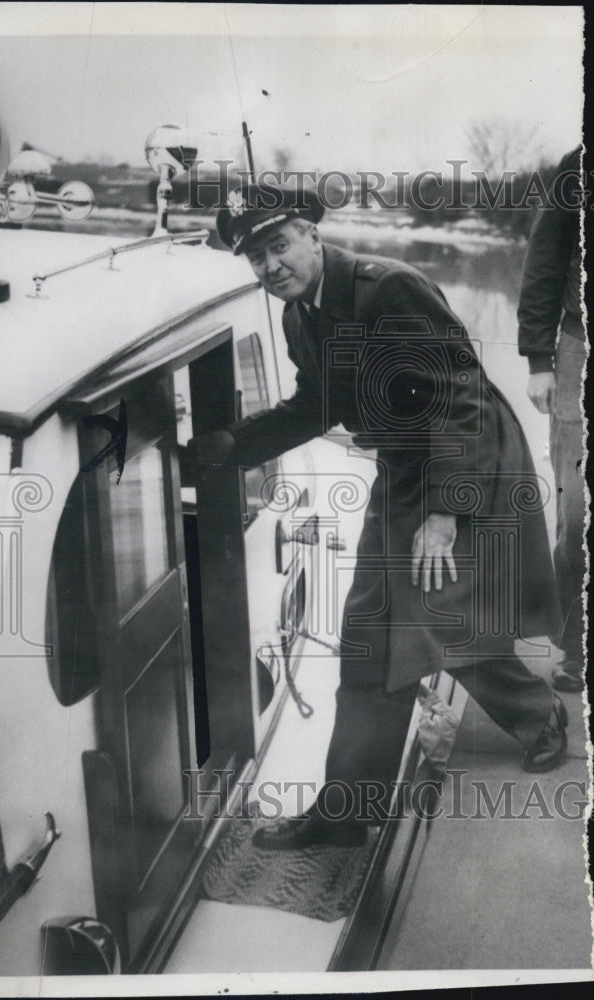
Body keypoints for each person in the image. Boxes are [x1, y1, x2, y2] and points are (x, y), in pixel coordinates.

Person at [188, 183, 567, 850]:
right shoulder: (299, 317)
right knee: (370, 632)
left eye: (278, 245)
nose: (271, 265)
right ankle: (345, 815)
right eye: (255, 258)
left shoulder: (388, 288)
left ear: (310, 234)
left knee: (441, 620)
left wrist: (445, 514)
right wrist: (231, 447)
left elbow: (458, 399)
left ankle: (541, 721)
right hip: (403, 470)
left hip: (465, 459)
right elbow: (314, 406)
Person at [518, 146, 586, 694]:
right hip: (580, 352)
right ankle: (578, 650)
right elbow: (544, 262)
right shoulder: (578, 165)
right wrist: (540, 360)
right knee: (578, 511)